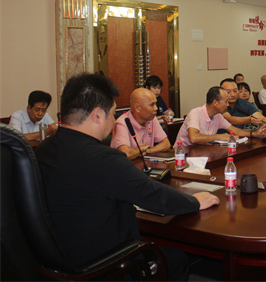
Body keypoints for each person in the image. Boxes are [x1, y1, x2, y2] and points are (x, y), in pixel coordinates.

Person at [35, 73, 219, 280]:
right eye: (113, 114)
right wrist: (195, 201)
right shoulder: (104, 158)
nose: (114, 120)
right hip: (104, 264)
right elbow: (154, 195)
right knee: (176, 259)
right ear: (97, 115)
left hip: (56, 263)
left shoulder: (43, 149)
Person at [176, 87, 266, 146]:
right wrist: (219, 136)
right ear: (215, 103)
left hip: (202, 151)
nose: (228, 105)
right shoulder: (195, 113)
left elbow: (234, 130)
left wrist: (253, 134)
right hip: (183, 154)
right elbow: (194, 138)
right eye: (226, 102)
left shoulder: (217, 116)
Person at [110, 88, 171, 160]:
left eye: (156, 104)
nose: (156, 108)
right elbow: (126, 153)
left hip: (145, 163)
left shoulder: (151, 119)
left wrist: (148, 151)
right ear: (137, 108)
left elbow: (166, 144)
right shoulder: (122, 123)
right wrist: (141, 149)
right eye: (152, 105)